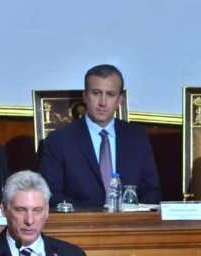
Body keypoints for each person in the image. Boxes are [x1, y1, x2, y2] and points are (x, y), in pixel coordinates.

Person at [39, 64, 161, 208]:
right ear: (85, 96)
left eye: (110, 94)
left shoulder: (137, 138)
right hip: (80, 225)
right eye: (96, 93)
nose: (102, 102)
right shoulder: (59, 141)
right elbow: (50, 194)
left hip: (130, 225)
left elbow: (152, 191)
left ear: (119, 100)